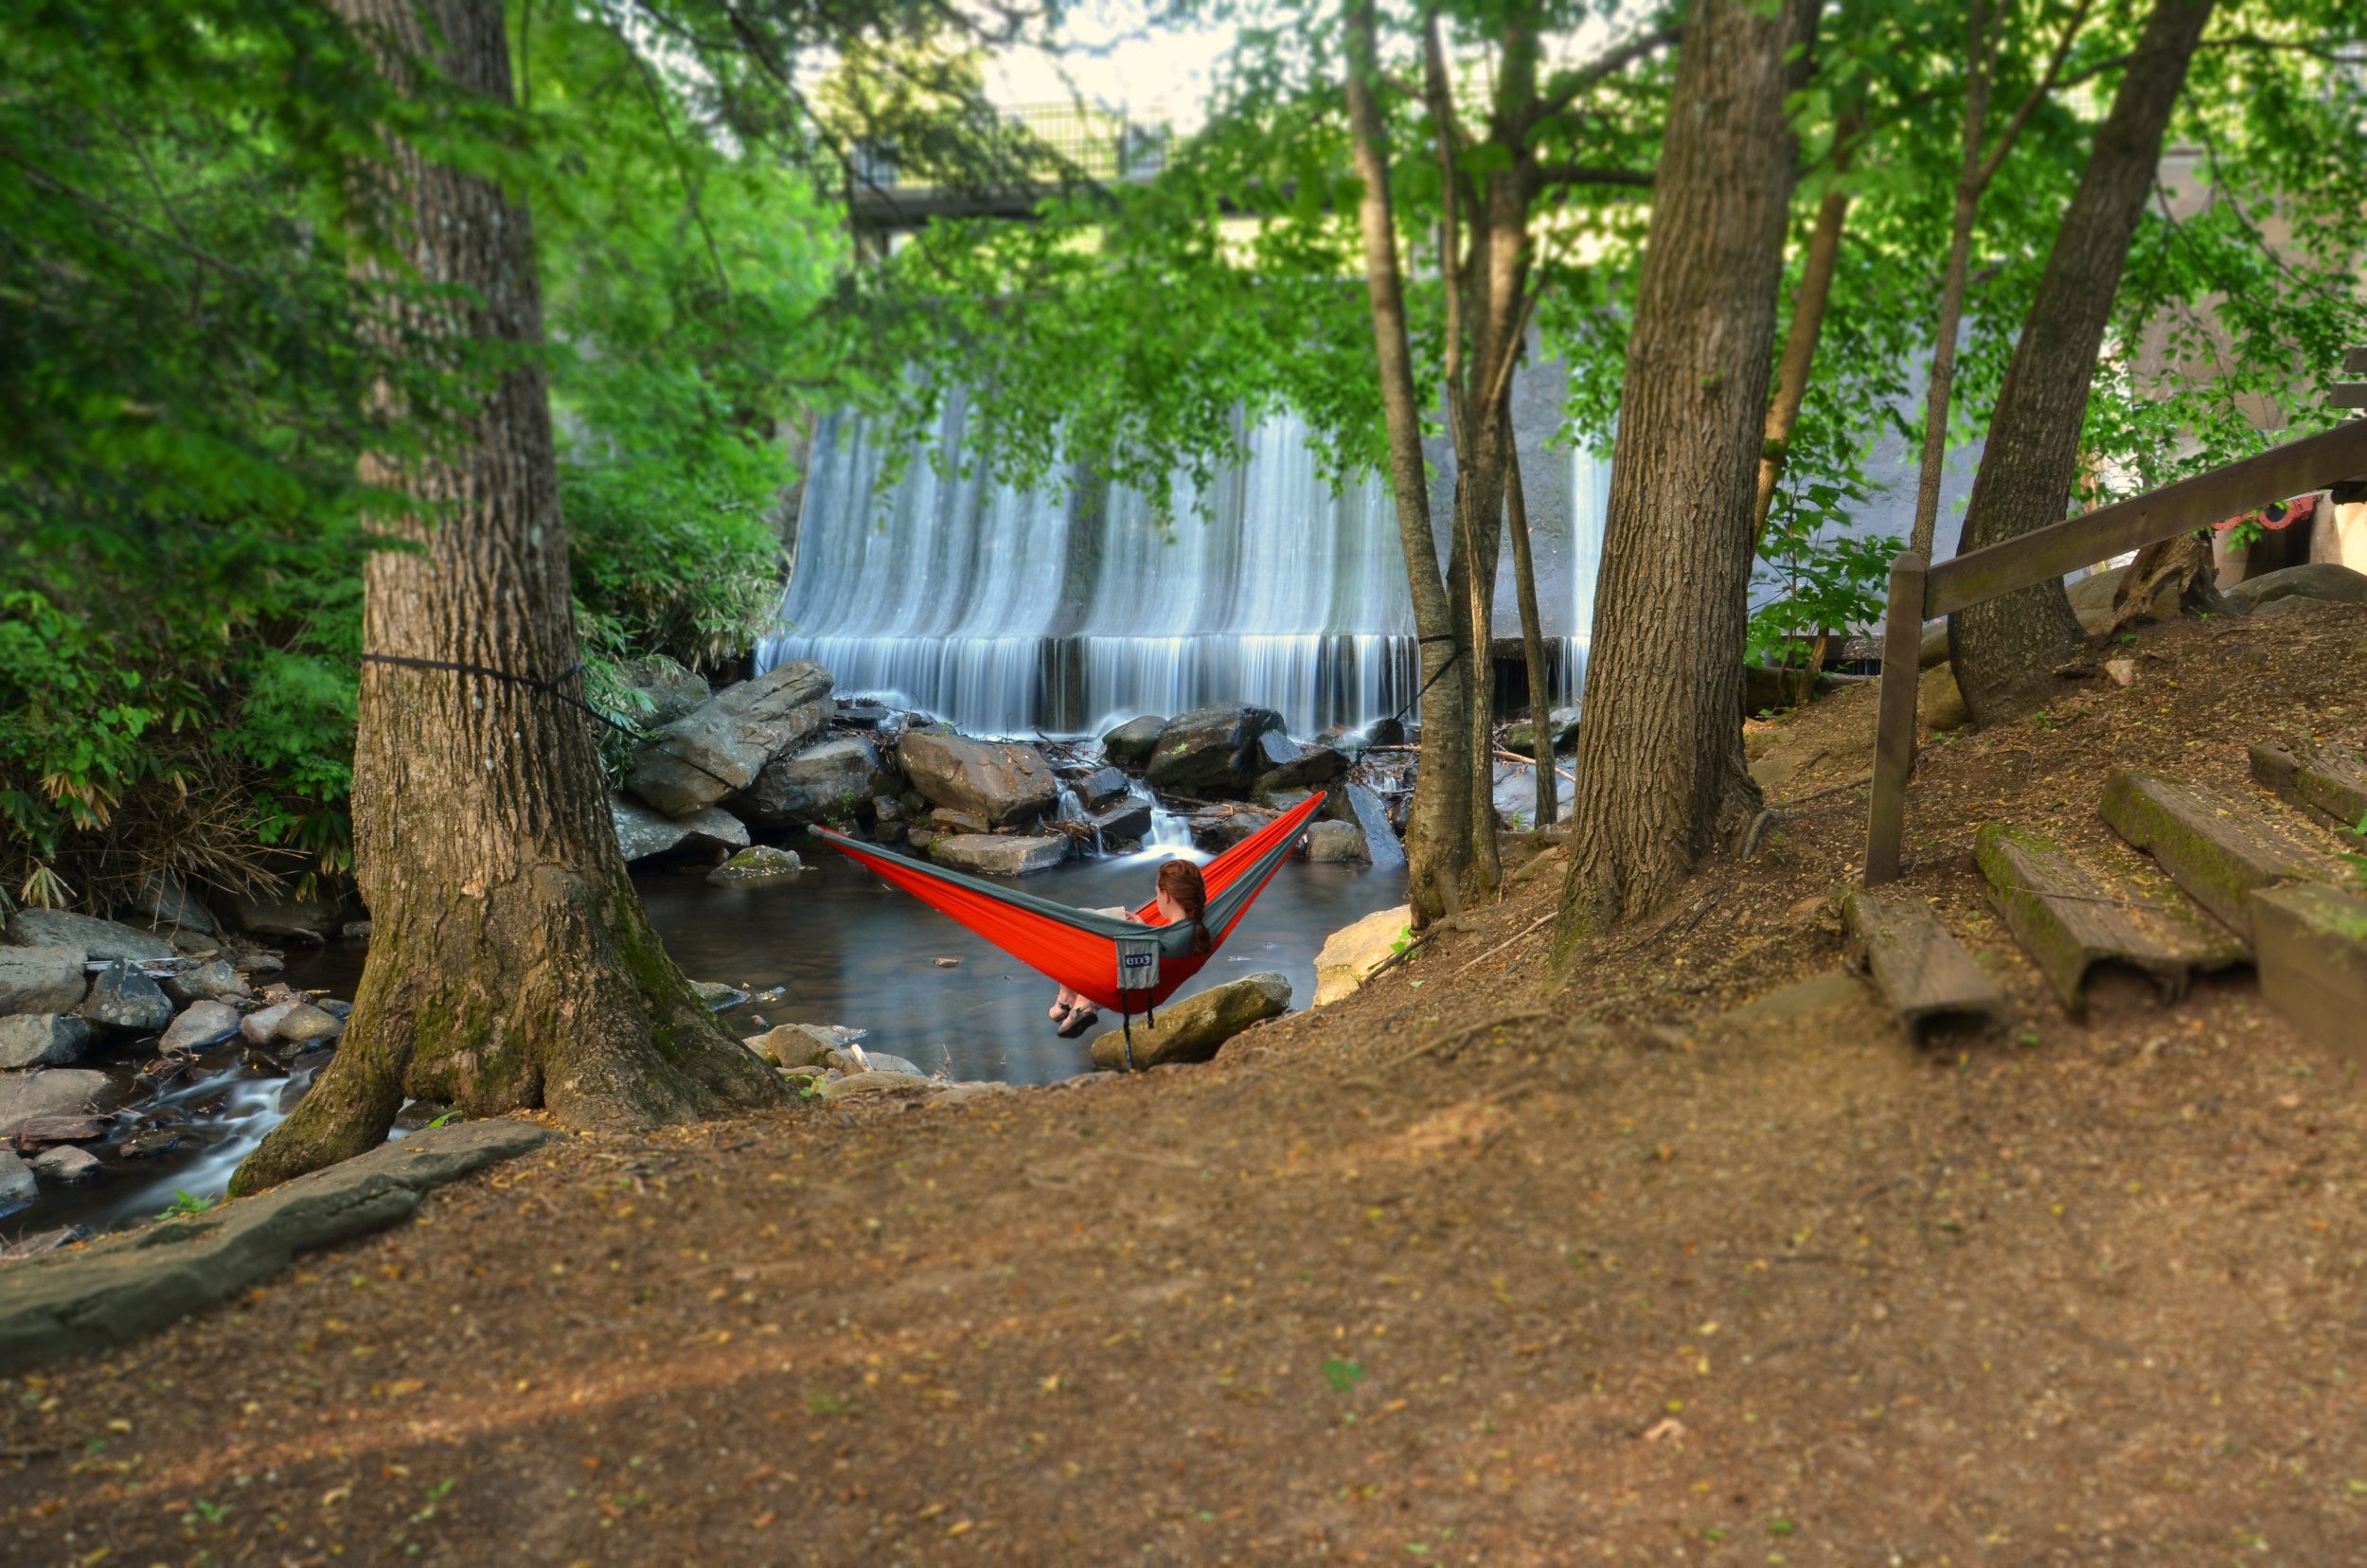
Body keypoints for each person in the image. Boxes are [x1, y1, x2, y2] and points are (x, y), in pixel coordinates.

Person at [1050, 859, 1213, 1038]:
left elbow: (1143, 958)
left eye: (1157, 893)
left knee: (1071, 927)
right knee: (1088, 922)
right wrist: (1143, 930)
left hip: (1131, 984)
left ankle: (1075, 1001)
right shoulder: (1192, 930)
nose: (1157, 898)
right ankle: (1075, 1001)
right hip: (1139, 978)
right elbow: (1162, 947)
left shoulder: (1168, 938)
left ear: (1165, 895)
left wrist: (1139, 932)